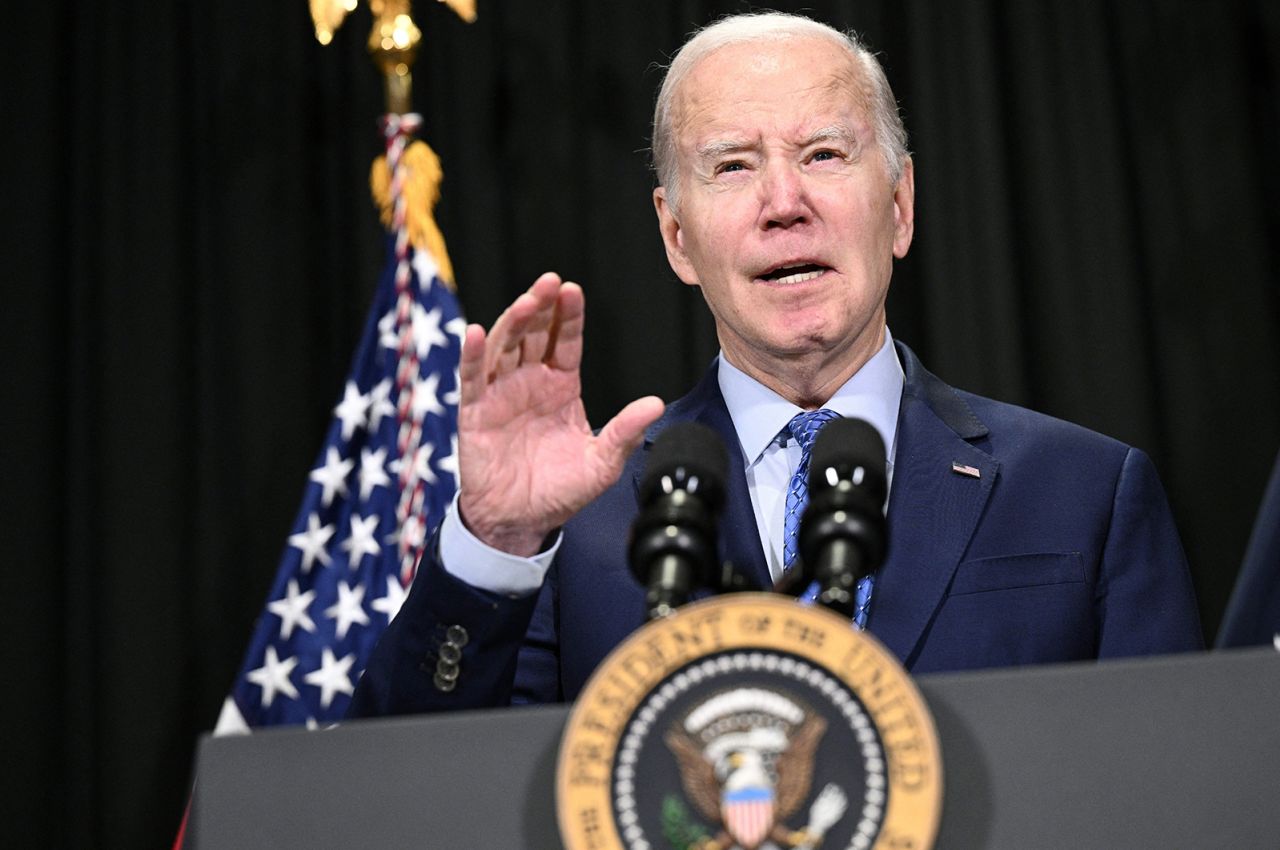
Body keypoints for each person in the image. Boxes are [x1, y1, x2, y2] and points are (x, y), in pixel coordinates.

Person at [348, 11, 1202, 717]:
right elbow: (401, 795)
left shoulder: (1087, 492)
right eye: (732, 166)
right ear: (676, 236)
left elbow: (1171, 787)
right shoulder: (574, 528)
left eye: (824, 154)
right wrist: (496, 543)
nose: (784, 204)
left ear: (899, 206)